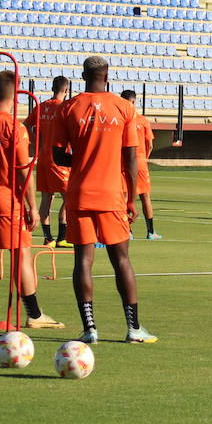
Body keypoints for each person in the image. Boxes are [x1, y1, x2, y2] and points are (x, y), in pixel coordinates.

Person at [52, 55, 157, 344]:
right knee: (121, 259)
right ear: (107, 76)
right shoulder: (124, 108)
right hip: (113, 195)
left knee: (83, 262)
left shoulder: (69, 107)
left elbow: (58, 155)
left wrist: (82, 158)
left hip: (80, 194)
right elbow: (131, 158)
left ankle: (89, 329)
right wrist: (132, 198)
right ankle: (133, 328)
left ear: (83, 76)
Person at [0, 70, 64, 331]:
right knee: (22, 257)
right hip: (8, 202)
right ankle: (35, 315)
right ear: (16, 91)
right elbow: (22, 171)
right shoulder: (14, 128)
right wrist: (32, 207)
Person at [24, 75, 71, 248]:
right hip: (58, 159)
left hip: (43, 157)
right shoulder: (64, 108)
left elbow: (26, 125)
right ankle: (62, 237)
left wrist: (36, 140)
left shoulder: (41, 107)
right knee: (70, 197)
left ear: (52, 88)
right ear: (66, 90)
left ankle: (48, 238)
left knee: (46, 198)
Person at [119, 89, 161, 238]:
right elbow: (149, 144)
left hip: (124, 162)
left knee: (124, 197)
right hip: (140, 162)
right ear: (135, 101)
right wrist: (143, 158)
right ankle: (151, 232)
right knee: (145, 196)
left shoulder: (120, 120)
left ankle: (127, 231)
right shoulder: (142, 120)